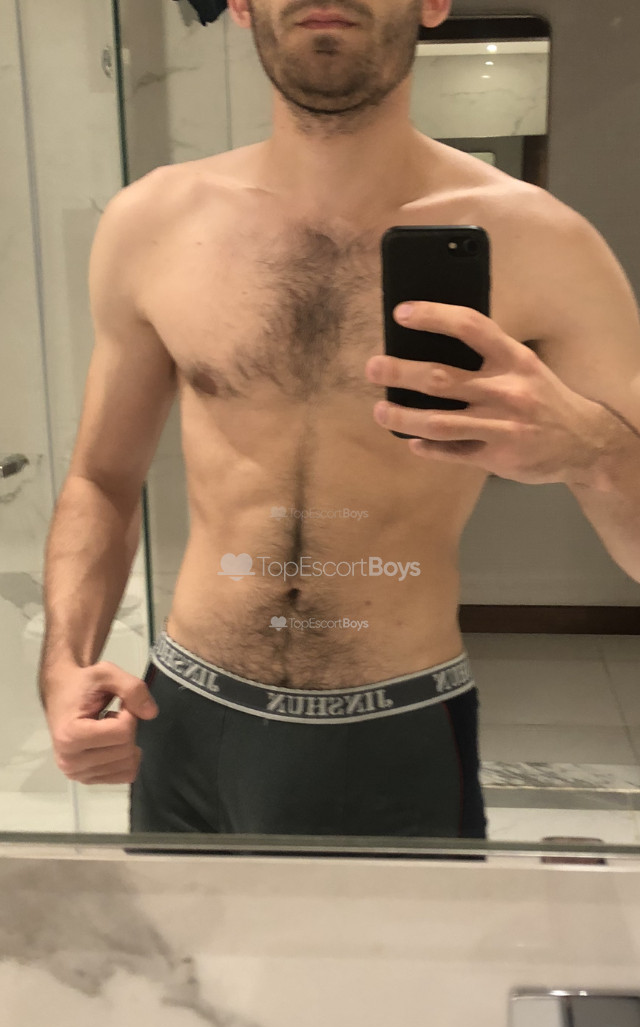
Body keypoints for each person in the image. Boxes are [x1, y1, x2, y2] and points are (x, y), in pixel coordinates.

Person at [39, 0, 640, 838]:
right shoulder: (154, 223)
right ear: (241, 4)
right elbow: (102, 482)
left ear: (434, 1)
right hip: (185, 719)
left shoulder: (545, 243)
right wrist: (63, 666)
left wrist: (593, 450)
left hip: (394, 724)